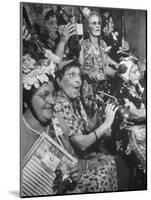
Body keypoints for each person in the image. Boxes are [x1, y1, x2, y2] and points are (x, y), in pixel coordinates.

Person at [21, 54, 82, 196]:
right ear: (26, 102)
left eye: (53, 94)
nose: (53, 101)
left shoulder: (56, 121)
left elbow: (72, 158)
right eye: (44, 96)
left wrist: (75, 170)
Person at [55, 59, 119, 192]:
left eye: (79, 75)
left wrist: (98, 112)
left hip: (82, 158)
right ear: (59, 81)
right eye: (72, 75)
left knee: (111, 163)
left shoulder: (76, 99)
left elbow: (88, 126)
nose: (78, 80)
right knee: (101, 175)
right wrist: (106, 124)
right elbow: (82, 143)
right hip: (71, 165)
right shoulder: (60, 105)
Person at [113, 56, 146, 189]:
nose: (138, 74)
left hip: (142, 130)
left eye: (138, 71)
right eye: (134, 71)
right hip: (128, 135)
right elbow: (136, 115)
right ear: (125, 73)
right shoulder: (121, 92)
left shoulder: (136, 88)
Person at [78, 11, 119, 117]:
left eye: (98, 23)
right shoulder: (82, 44)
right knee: (94, 120)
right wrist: (88, 72)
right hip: (90, 89)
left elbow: (105, 59)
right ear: (87, 27)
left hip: (104, 88)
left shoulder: (102, 43)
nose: (97, 26)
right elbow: (80, 68)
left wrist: (115, 64)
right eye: (93, 23)